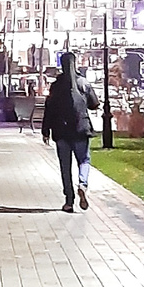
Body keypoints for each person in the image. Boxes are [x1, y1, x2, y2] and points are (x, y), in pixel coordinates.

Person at [42, 52, 100, 212]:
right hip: (81, 129)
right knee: (84, 160)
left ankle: (69, 201)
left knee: (65, 167)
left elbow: (49, 110)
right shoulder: (83, 83)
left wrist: (45, 131)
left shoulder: (56, 86)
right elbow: (94, 104)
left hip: (61, 131)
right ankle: (83, 184)